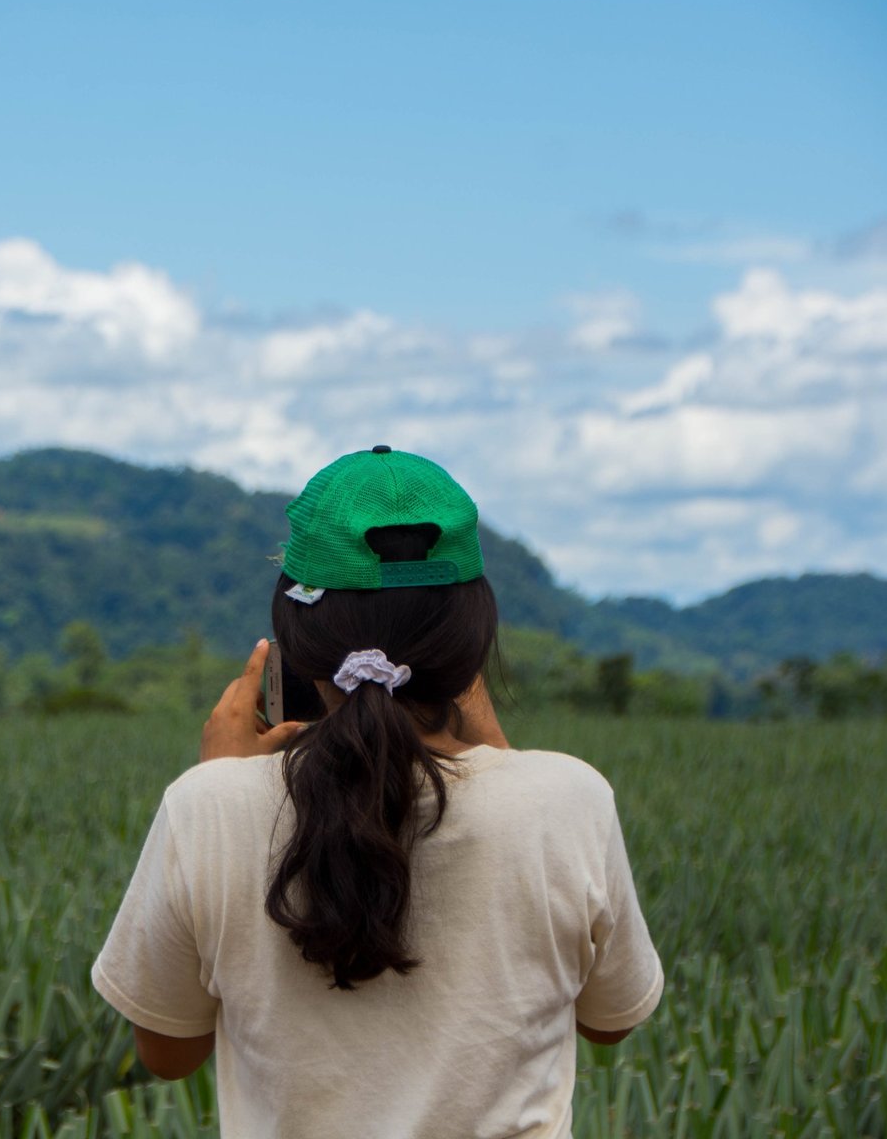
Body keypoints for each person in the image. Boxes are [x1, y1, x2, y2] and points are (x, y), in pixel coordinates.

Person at [91, 446, 663, 1138]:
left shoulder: (205, 808)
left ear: (296, 645)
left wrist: (216, 777)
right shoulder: (569, 799)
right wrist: (485, 728)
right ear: (474, 639)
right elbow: (611, 1021)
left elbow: (168, 1051)